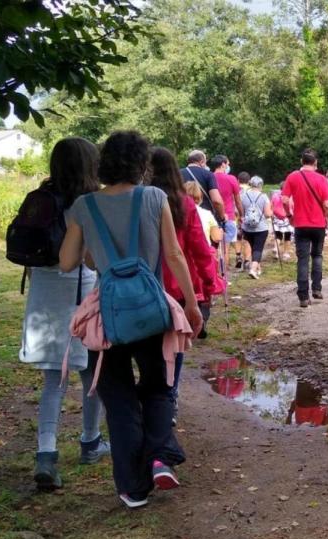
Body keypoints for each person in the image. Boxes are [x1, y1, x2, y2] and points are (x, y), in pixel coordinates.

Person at [60, 130, 203, 509]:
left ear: (104, 163)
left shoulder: (83, 205)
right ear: (142, 165)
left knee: (118, 398)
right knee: (158, 387)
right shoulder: (154, 198)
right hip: (152, 312)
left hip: (107, 318)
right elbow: (173, 255)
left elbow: (68, 262)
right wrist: (190, 304)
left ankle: (132, 488)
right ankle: (159, 456)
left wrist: (98, 251)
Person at [20, 137, 110, 491]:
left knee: (52, 382)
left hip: (44, 291)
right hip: (79, 291)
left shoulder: (39, 197)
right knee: (92, 375)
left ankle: (46, 454)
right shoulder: (88, 204)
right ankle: (90, 442)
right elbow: (88, 258)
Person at [149, 147, 220, 419]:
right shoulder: (183, 203)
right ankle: (169, 397)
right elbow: (199, 248)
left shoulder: (140, 200)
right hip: (178, 284)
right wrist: (209, 282)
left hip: (147, 282)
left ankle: (155, 396)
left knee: (150, 345)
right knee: (175, 346)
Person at [282, 148, 328, 307]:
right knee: (317, 256)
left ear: (301, 162)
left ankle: (303, 297)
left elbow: (284, 200)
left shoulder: (292, 177)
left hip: (300, 224)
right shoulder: (322, 180)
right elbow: (326, 204)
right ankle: (317, 289)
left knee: (303, 260)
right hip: (318, 225)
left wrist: (289, 216)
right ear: (316, 163)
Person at [209, 155, 243, 269]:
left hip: (211, 216)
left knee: (212, 248)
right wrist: (241, 215)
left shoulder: (208, 177)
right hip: (228, 215)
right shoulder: (231, 179)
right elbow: (238, 200)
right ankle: (223, 276)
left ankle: (214, 275)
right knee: (225, 248)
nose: (228, 166)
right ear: (223, 164)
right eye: (227, 163)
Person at [181, 150, 225, 231]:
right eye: (205, 163)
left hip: (183, 217)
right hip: (205, 219)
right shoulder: (208, 174)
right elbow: (216, 201)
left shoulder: (178, 174)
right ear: (201, 162)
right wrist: (222, 217)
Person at [239, 175, 273, 279]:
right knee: (258, 249)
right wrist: (272, 212)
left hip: (247, 227)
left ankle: (258, 268)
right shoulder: (263, 196)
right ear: (261, 185)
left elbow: (240, 211)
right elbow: (267, 214)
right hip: (261, 227)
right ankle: (253, 269)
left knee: (254, 247)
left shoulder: (243, 195)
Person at [186, 181, 223, 247]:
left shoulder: (176, 213)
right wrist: (221, 231)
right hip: (203, 251)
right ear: (200, 197)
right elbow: (216, 238)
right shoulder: (207, 214)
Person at [270, 183, 293, 262]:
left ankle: (276, 248)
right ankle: (286, 253)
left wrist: (272, 214)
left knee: (278, 235)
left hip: (277, 217)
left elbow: (271, 206)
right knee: (288, 236)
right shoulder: (290, 196)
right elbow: (292, 207)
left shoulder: (275, 195)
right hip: (287, 217)